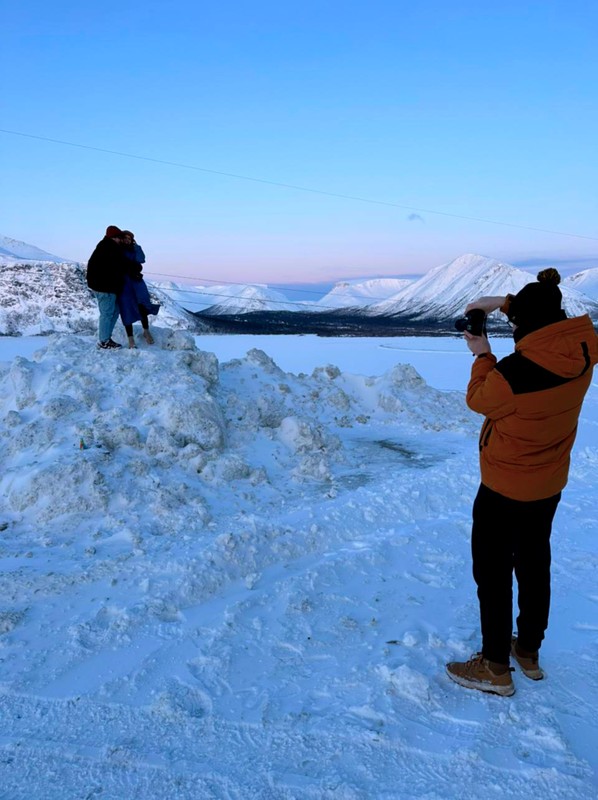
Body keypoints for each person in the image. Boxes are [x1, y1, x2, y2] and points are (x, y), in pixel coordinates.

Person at [446, 269, 598, 696]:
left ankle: (494, 667)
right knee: (534, 563)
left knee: (492, 572)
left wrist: (481, 355)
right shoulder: (585, 348)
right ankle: (527, 650)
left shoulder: (513, 373)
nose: (511, 328)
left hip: (503, 486)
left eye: (514, 324)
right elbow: (540, 314)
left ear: (528, 327)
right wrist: (499, 303)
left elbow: (478, 400)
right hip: (548, 483)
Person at [86, 226, 130, 349]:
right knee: (107, 314)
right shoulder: (110, 248)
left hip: (103, 286)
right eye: (120, 237)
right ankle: (104, 341)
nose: (121, 240)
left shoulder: (105, 246)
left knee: (114, 311)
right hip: (105, 287)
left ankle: (106, 338)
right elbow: (117, 267)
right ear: (114, 237)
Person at [117, 230, 160, 348]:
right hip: (123, 284)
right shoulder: (117, 249)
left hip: (136, 282)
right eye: (125, 238)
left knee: (142, 305)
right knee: (126, 308)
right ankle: (130, 339)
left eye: (129, 238)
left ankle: (146, 331)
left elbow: (141, 259)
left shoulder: (134, 249)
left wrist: (136, 247)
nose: (127, 240)